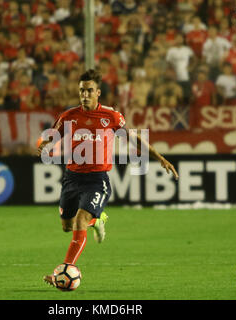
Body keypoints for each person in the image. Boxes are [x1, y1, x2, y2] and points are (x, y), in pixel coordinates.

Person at [37, 69, 179, 288]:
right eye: (82, 90)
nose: (85, 95)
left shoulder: (111, 117)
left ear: (98, 93)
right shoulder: (69, 116)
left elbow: (134, 139)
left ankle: (65, 270)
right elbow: (51, 137)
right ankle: (98, 220)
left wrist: (159, 157)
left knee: (79, 221)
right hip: (71, 178)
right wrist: (44, 145)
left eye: (89, 90)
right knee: (67, 226)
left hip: (96, 180)